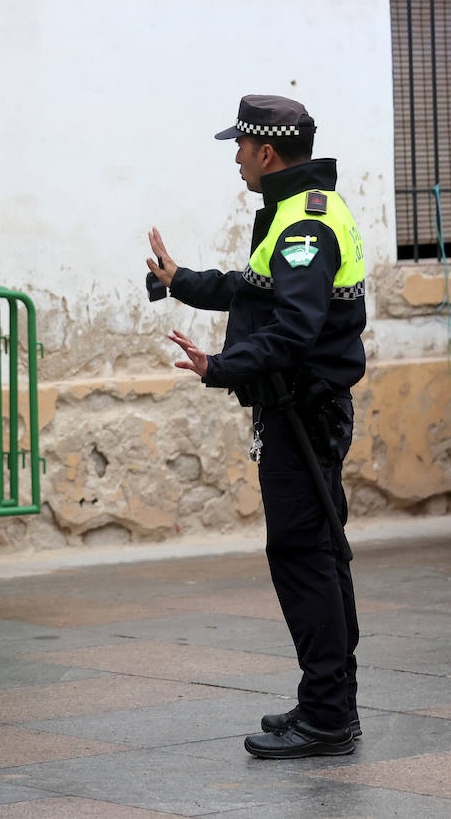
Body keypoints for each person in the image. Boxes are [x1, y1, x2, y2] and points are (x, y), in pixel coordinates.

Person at [146, 95, 366, 759]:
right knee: (319, 554)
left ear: (266, 153)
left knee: (305, 558)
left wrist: (219, 365)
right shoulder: (302, 213)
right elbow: (256, 287)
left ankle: (328, 714)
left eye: (240, 147)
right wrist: (182, 280)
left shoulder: (304, 227)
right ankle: (329, 702)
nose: (236, 158)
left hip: (302, 412)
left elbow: (294, 331)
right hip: (304, 409)